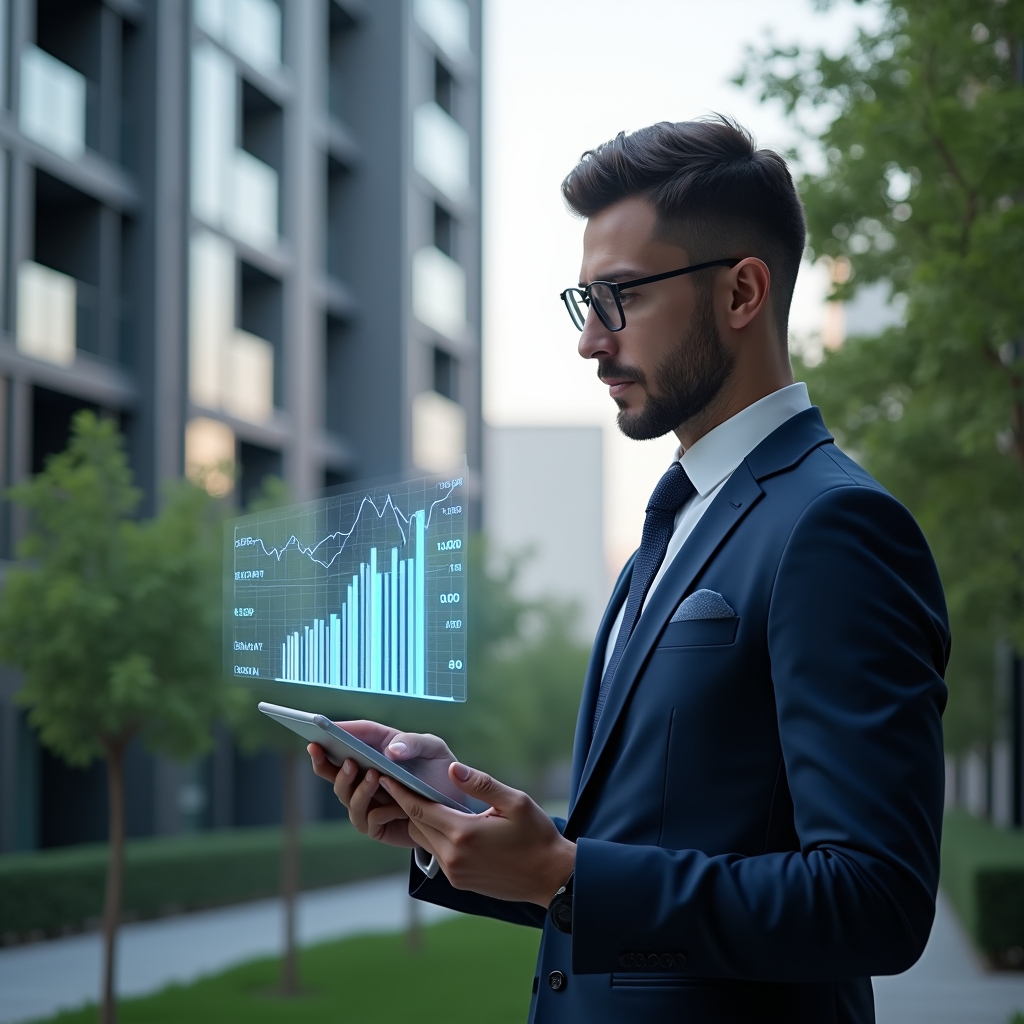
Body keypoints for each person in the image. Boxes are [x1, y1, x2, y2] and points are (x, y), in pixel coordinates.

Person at [307, 117, 948, 1024]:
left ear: (742, 292)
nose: (590, 341)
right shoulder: (670, 524)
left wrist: (565, 874)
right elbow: (634, 850)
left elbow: (874, 900)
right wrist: (455, 819)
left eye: (622, 298)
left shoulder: (836, 526)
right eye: (585, 302)